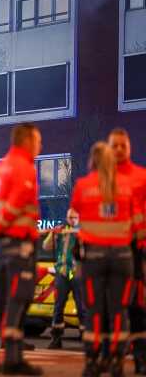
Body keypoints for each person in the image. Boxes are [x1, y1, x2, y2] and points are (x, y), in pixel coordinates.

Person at [0, 123, 43, 376]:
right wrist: (2, 226)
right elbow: (16, 204)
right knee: (18, 298)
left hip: (0, 245)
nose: (40, 146)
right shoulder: (24, 168)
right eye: (38, 141)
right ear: (26, 141)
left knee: (0, 299)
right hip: (18, 243)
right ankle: (13, 360)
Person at [71, 141, 144, 377]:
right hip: (123, 258)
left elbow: (75, 218)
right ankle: (116, 362)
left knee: (94, 311)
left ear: (91, 161)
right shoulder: (126, 186)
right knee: (119, 312)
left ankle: (92, 362)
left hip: (94, 257)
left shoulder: (83, 185)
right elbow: (138, 225)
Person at [108, 128, 146, 373]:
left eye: (123, 145)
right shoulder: (103, 179)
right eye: (115, 145)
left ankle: (141, 357)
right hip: (110, 250)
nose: (120, 149)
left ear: (129, 148)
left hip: (135, 249)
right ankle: (114, 358)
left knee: (137, 306)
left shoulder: (142, 177)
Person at [42, 209, 85, 349]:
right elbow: (46, 246)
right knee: (58, 306)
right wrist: (52, 234)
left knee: (81, 306)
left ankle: (86, 338)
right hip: (62, 271)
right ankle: (56, 337)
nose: (72, 219)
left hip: (76, 272)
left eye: (74, 217)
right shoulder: (61, 230)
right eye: (70, 217)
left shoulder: (82, 231)